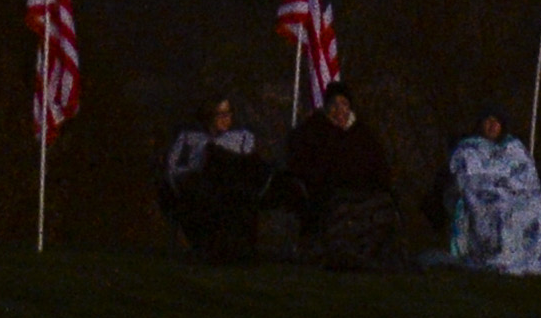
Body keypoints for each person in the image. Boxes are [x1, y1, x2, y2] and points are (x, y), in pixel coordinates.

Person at [439, 113, 541, 277]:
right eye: (488, 121)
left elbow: (527, 177)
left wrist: (527, 186)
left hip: (517, 195)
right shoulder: (469, 149)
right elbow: (467, 181)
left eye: (496, 122)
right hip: (484, 201)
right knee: (505, 209)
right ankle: (501, 256)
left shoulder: (514, 148)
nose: (492, 125)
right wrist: (497, 188)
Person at [286, 84, 398, 271]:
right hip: (329, 193)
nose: (339, 110)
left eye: (344, 104)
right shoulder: (313, 131)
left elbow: (379, 167)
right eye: (334, 105)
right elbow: (303, 164)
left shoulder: (363, 134)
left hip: (364, 193)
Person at [163, 100, 269, 263]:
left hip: (232, 185)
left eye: (228, 114)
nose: (226, 119)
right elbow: (173, 167)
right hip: (201, 185)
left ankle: (235, 249)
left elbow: (248, 165)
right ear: (209, 116)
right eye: (221, 115)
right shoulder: (191, 138)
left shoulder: (241, 137)